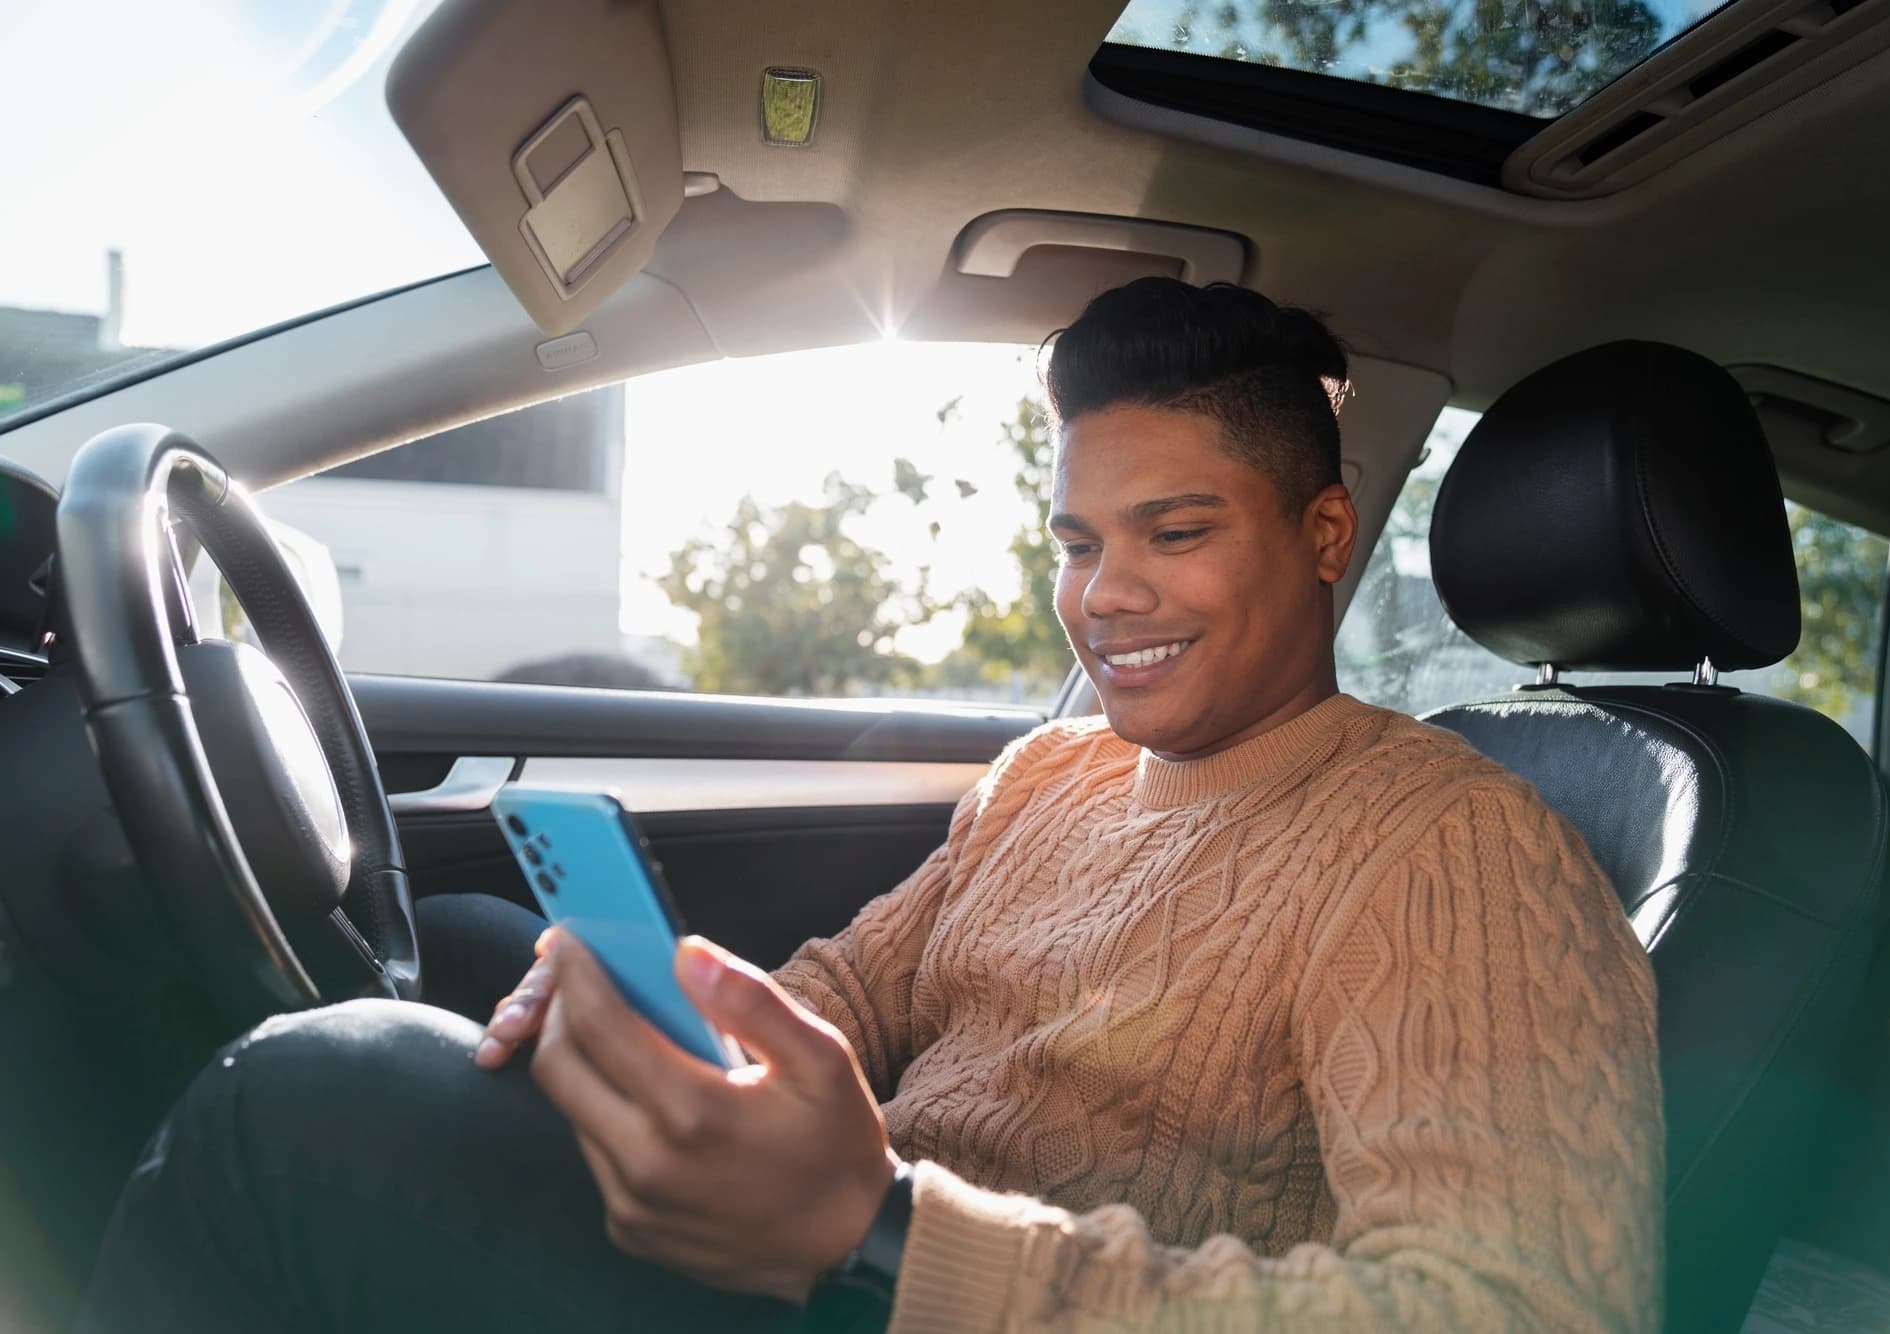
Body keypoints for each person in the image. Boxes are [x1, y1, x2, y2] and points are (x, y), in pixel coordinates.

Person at [79, 278, 1662, 1333]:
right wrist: (682, 1024)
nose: (1104, 596)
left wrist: (888, 1227)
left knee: (306, 1109)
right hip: (826, 1261)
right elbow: (850, 985)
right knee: (493, 948)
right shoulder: (1054, 774)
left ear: (1326, 533)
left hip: (895, 1287)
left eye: (1171, 531)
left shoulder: (1454, 844)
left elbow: (1514, 1304)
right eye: (1076, 539)